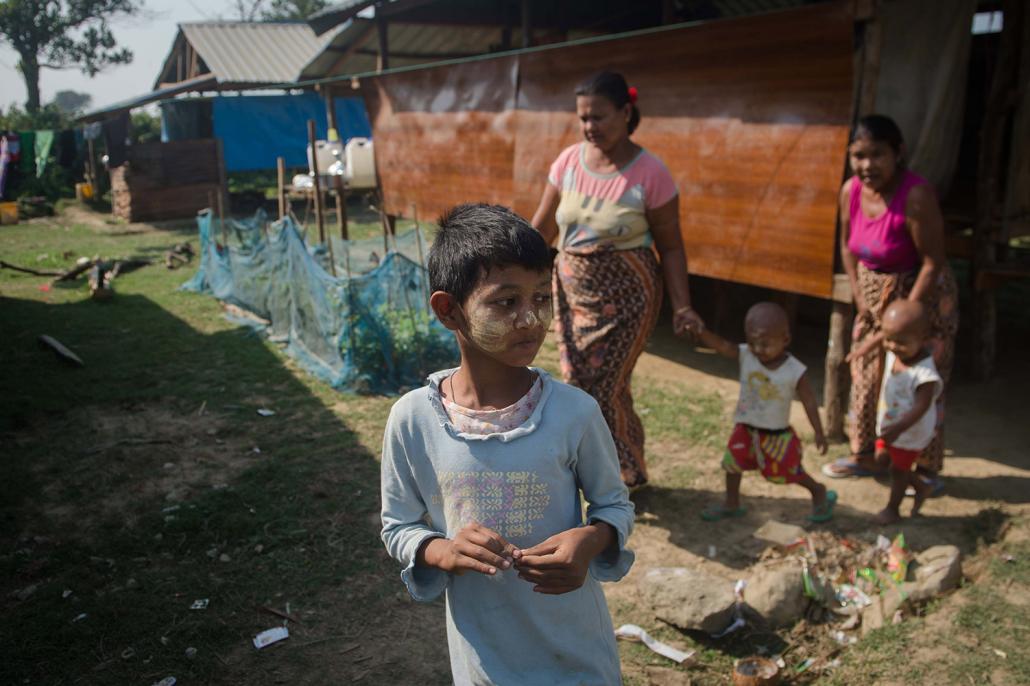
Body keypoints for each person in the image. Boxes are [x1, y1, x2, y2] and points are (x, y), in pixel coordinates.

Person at [380, 203, 635, 685]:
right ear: (448, 310)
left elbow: (614, 506)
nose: (530, 319)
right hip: (485, 658)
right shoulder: (412, 420)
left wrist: (591, 538)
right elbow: (398, 526)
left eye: (541, 298)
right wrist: (441, 551)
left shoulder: (574, 412)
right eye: (505, 302)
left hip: (576, 651)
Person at [531, 70, 702, 490]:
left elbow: (673, 247)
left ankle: (621, 473)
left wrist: (682, 306)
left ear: (626, 112)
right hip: (573, 294)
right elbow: (543, 230)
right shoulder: (568, 163)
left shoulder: (650, 173)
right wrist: (506, 269)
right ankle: (607, 469)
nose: (591, 127)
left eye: (600, 117)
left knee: (605, 384)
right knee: (578, 384)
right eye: (584, 119)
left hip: (629, 298)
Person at [823, 114, 958, 492]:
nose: (867, 166)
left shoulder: (916, 195)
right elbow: (848, 248)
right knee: (865, 375)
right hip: (871, 297)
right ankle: (866, 455)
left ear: (898, 153)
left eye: (877, 155)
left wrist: (906, 319)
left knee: (918, 383)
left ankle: (923, 468)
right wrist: (858, 293)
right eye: (858, 156)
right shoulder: (850, 191)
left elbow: (934, 261)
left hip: (921, 298)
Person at [694, 303, 836, 522]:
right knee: (732, 464)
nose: (758, 349)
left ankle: (818, 491)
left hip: (776, 435)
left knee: (787, 472)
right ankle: (732, 503)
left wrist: (818, 431)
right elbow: (722, 346)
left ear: (785, 339)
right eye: (752, 343)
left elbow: (809, 402)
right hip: (745, 428)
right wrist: (700, 331)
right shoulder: (746, 355)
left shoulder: (794, 370)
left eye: (764, 344)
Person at [849, 300, 943, 524]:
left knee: (899, 471)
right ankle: (921, 487)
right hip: (891, 427)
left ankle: (893, 509)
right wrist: (862, 349)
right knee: (883, 461)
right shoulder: (897, 349)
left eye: (900, 341)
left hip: (908, 432)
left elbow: (921, 407)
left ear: (922, 337)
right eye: (889, 339)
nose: (891, 345)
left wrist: (898, 430)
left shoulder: (924, 374)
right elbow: (883, 336)